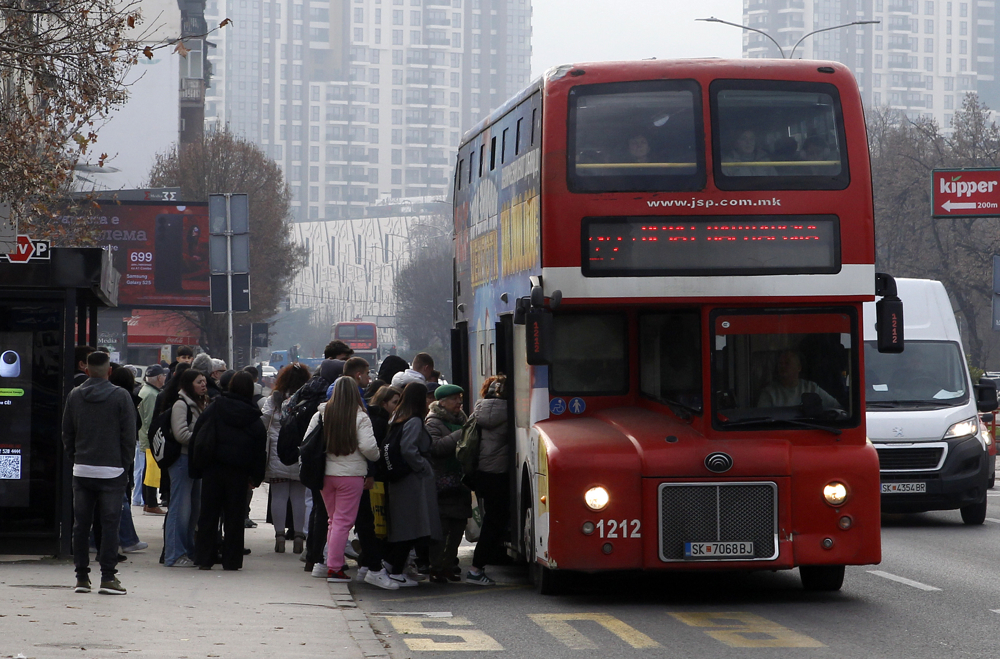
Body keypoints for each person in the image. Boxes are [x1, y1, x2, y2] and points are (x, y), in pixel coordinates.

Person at [62, 351, 136, 595]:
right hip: (112, 470)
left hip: (82, 469)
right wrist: (124, 465)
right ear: (109, 371)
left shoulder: (74, 395)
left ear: (86, 371)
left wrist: (76, 457)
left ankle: (82, 577)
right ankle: (108, 577)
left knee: (81, 525)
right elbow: (128, 436)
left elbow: (67, 432)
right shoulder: (121, 396)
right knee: (109, 524)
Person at [192, 372, 267, 570]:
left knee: (208, 514)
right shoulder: (252, 415)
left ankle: (205, 557)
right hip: (239, 472)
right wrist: (256, 477)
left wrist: (198, 464)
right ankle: (232, 559)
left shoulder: (216, 406)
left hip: (213, 468)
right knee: (234, 517)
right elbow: (260, 448)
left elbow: (200, 432)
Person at [318, 378, 381, 582]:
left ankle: (329, 562)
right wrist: (376, 457)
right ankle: (335, 568)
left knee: (333, 520)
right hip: (351, 475)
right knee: (343, 522)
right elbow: (369, 448)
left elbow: (307, 441)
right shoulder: (360, 416)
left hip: (326, 474)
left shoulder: (321, 413)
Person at [384, 382, 441, 587]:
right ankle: (396, 569)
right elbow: (409, 449)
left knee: (405, 525)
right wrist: (423, 466)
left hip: (400, 479)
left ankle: (393, 565)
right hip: (412, 481)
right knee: (412, 527)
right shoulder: (414, 421)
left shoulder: (397, 417)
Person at [261, 363, 312, 554]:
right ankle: (299, 536)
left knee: (279, 495)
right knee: (299, 496)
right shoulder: (308, 399)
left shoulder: (274, 399)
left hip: (278, 450)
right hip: (300, 450)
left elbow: (263, 420)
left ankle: (280, 537)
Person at [354, 385, 402, 589]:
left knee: (368, 523)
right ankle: (369, 564)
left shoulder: (374, 418)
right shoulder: (379, 421)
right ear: (384, 403)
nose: (397, 407)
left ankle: (366, 563)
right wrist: (374, 472)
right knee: (374, 523)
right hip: (372, 478)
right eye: (394, 402)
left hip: (365, 476)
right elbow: (373, 450)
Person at [424, 384, 470, 584]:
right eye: (454, 399)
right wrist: (460, 435)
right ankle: (436, 567)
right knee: (442, 529)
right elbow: (435, 448)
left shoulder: (463, 419)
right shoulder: (432, 422)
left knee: (459, 525)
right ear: (442, 402)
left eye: (460, 398)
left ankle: (449, 564)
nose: (459, 402)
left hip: (460, 481)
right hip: (441, 482)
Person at [163, 368, 208, 567]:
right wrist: (203, 440)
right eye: (199, 382)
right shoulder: (181, 404)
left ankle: (188, 551)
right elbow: (181, 434)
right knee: (180, 509)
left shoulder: (200, 403)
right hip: (181, 461)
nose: (203, 385)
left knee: (192, 510)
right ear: (189, 384)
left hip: (194, 462)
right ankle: (174, 554)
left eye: (204, 381)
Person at [468, 375, 509, 586]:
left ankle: (480, 565)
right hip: (499, 473)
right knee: (495, 521)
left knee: (491, 520)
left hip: (483, 472)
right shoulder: (510, 411)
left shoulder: (480, 409)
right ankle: (476, 568)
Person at [108, 366, 147, 555]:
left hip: (98, 457)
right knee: (120, 498)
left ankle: (94, 539)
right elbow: (131, 429)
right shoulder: (125, 399)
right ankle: (128, 539)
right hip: (116, 456)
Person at [757, 350, 841, 409]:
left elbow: (836, 406)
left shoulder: (811, 388)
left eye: (787, 363)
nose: (782, 366)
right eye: (780, 363)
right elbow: (761, 419)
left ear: (799, 367)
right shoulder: (769, 393)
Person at [136, 365, 167, 514]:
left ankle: (149, 502)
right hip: (149, 439)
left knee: (147, 471)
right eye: (164, 376)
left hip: (144, 437)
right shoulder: (152, 395)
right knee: (150, 472)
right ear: (159, 377)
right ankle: (150, 503)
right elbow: (149, 421)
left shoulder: (146, 391)